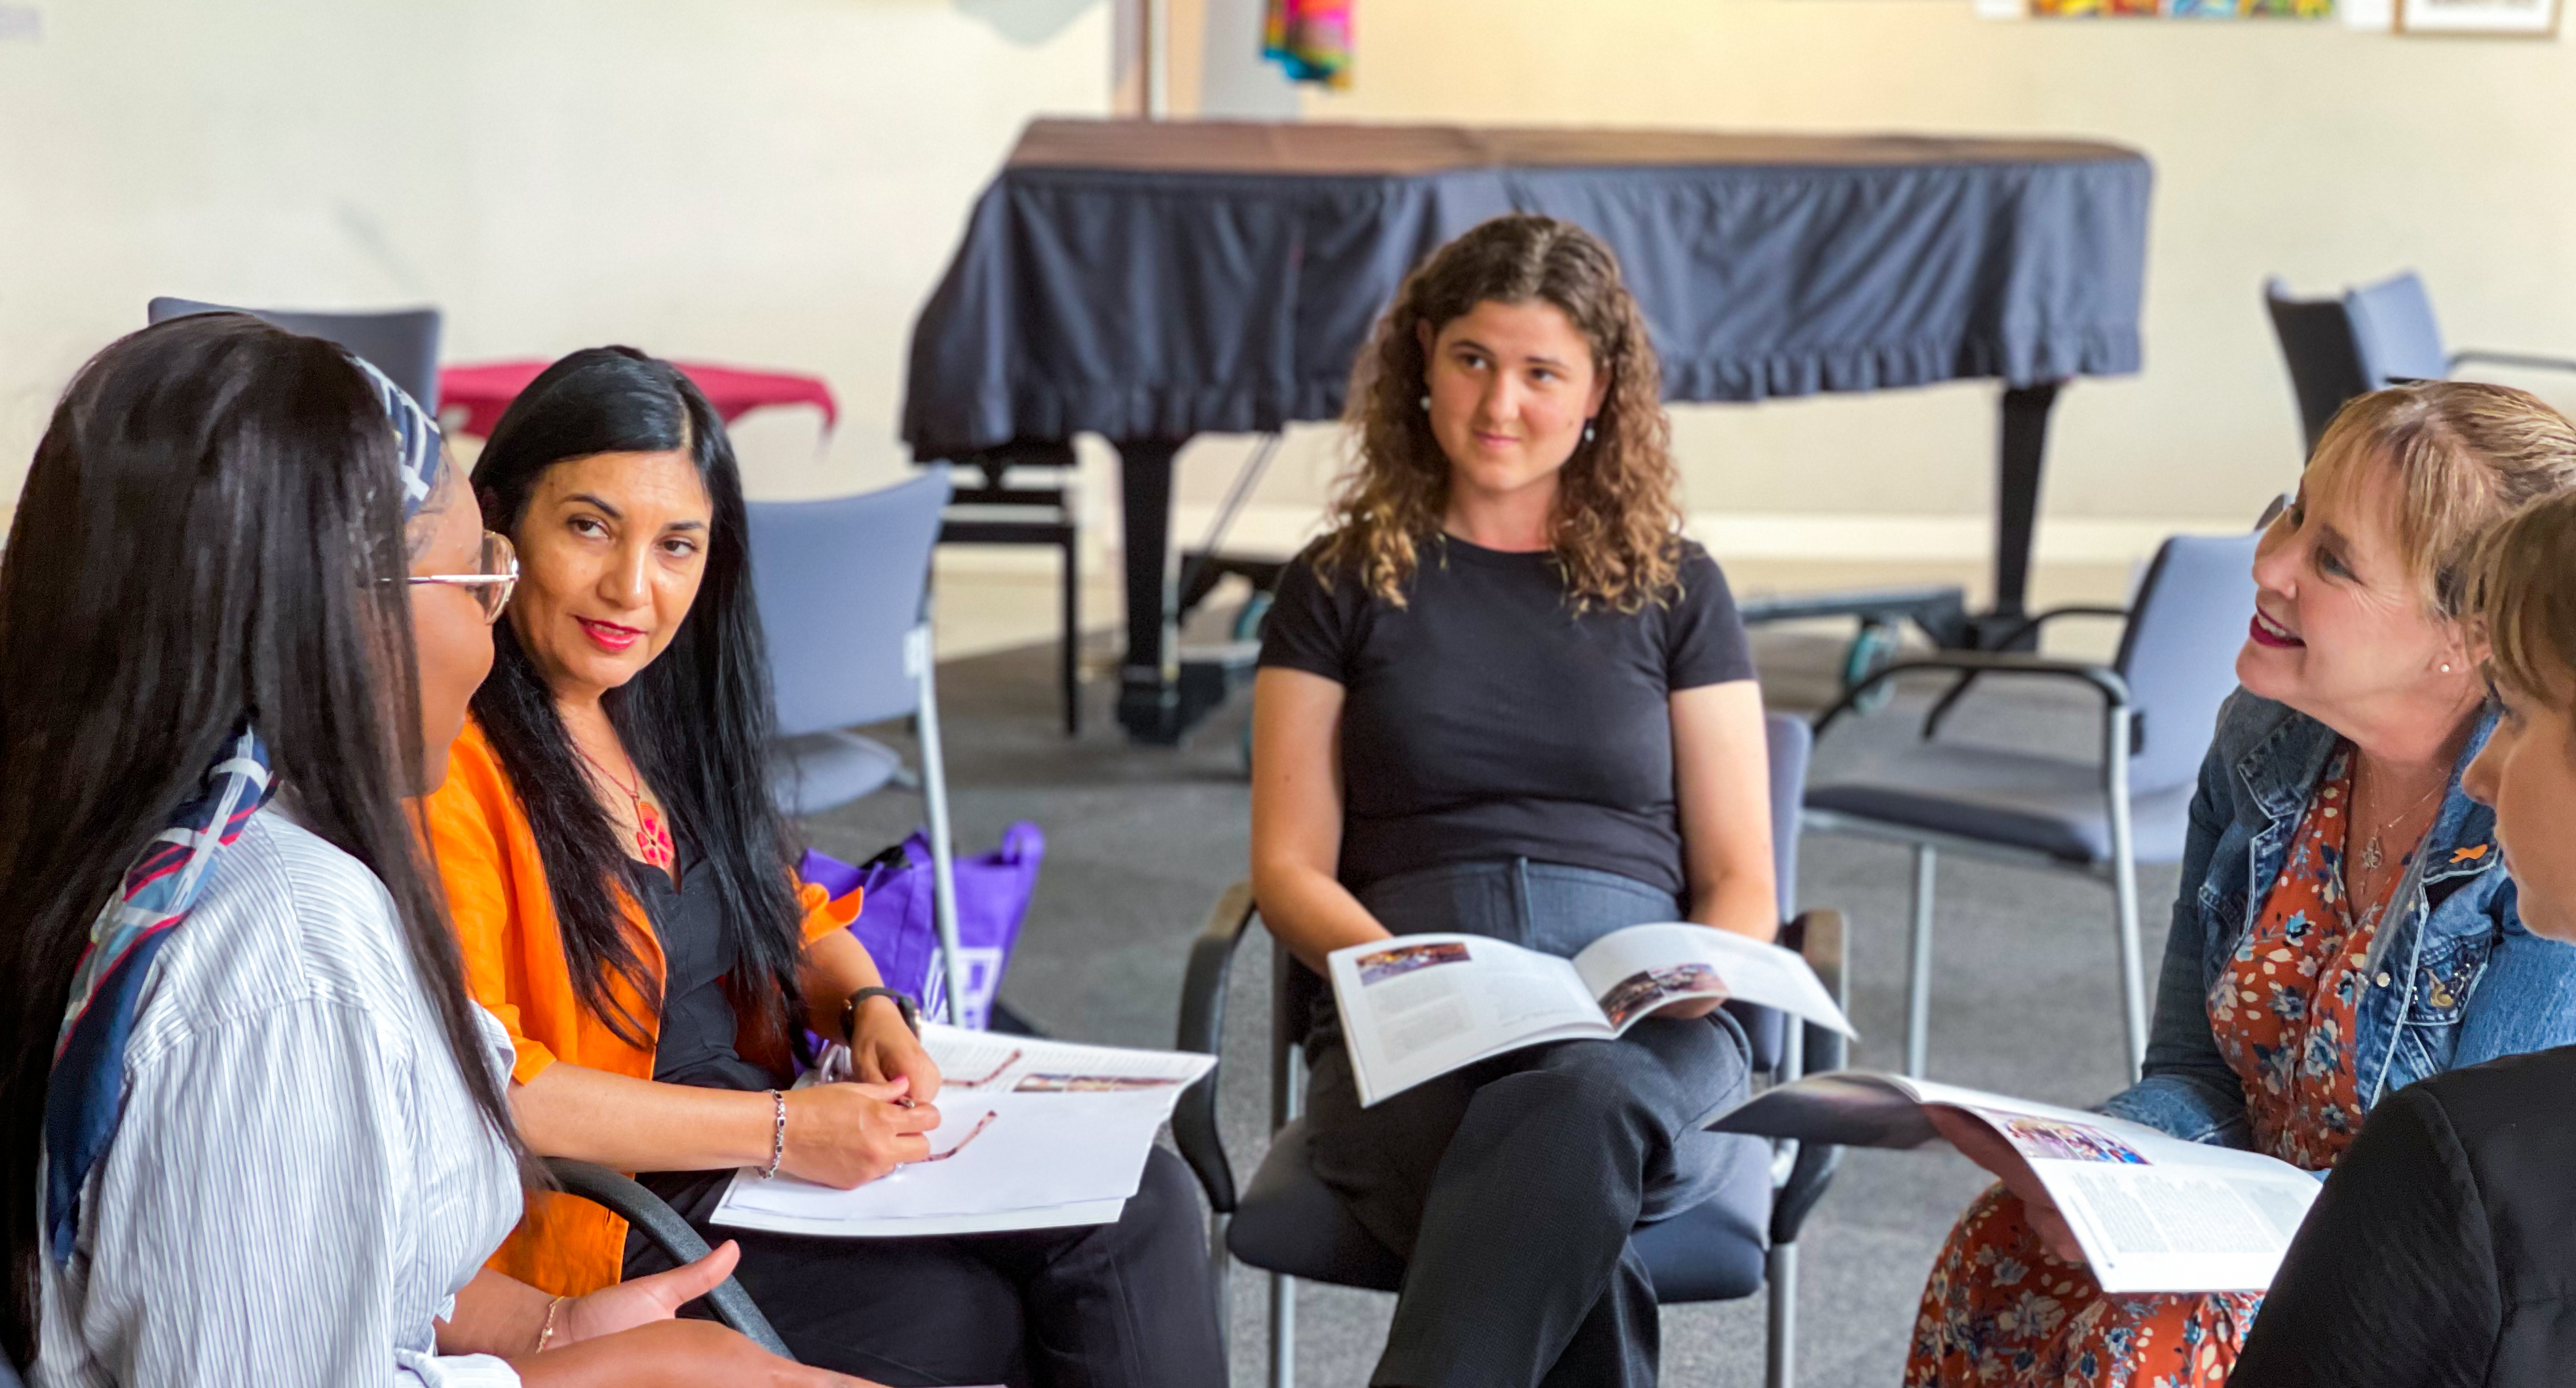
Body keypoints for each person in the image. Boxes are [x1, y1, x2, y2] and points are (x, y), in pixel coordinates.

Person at [0, 314, 870, 1387]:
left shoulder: (160, 835)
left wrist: (548, 1329)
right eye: (477, 579)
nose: (491, 635)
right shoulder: (291, 955)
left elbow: (335, 1261)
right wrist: (626, 1372)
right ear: (333, 623)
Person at [423, 346, 1224, 1387]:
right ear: (502, 524)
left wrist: (868, 1006)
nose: (632, 587)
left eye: (677, 545)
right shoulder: (454, 761)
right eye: (589, 527)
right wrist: (784, 1130)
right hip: (623, 1212)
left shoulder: (657, 715)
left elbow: (790, 908)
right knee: (988, 1312)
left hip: (770, 1150)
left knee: (1145, 1198)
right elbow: (494, 1083)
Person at [1904, 381, 2576, 1388]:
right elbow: (2196, 1069)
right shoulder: (2267, 743)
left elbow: (2476, 1208)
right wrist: (2095, 1163)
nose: (2267, 561)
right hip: (2250, 1219)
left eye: (2333, 559)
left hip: (2413, 1280)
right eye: (2292, 511)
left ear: (2469, 635)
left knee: (2154, 1336)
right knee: (2003, 1243)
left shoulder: (2544, 830)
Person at [1249, 214, 1777, 1388]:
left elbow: (1743, 873)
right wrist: (1401, 977)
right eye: (1473, 359)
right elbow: (1287, 865)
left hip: (1640, 1025)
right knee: (1559, 1178)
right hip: (1414, 1008)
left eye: (1542, 372)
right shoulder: (1336, 581)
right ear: (1423, 358)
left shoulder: (1678, 586)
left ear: (1600, 392)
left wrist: (1692, 975)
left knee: (1582, 1105)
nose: (1501, 403)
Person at [2226, 486, 2576, 1387]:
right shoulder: (2263, 745)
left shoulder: (2462, 1155)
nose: (2486, 773)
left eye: (2520, 715)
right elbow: (2190, 1066)